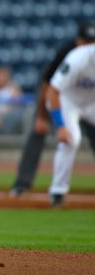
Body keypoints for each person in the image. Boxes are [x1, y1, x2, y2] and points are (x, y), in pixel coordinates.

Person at [11, 23, 95, 198]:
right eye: (87, 41)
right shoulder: (72, 55)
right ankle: (29, 185)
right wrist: (44, 117)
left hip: (91, 101)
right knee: (63, 137)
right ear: (78, 41)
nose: (90, 44)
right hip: (65, 100)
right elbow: (49, 87)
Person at [46, 26, 95, 207]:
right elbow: (53, 91)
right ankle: (58, 192)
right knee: (71, 139)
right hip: (68, 101)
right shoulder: (78, 58)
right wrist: (60, 126)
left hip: (91, 103)